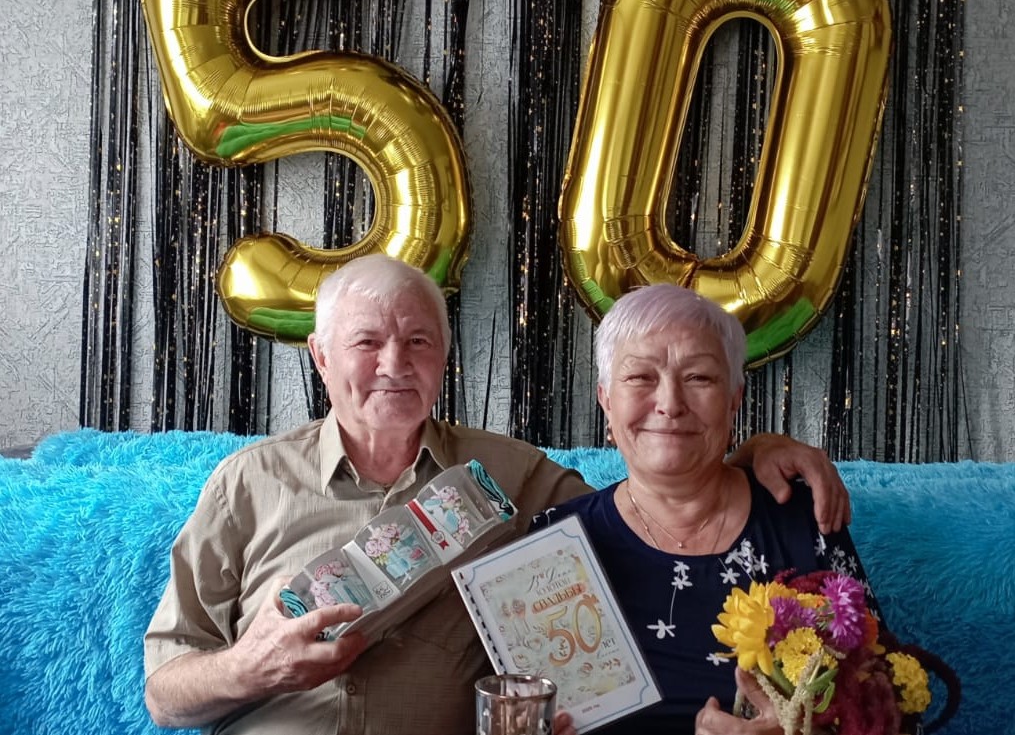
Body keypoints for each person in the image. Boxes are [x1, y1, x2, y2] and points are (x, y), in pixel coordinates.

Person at [144, 255, 851, 735]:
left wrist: (747, 454)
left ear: (442, 359)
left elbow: (658, 489)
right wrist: (248, 668)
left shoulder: (509, 475)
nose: (394, 363)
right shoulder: (247, 483)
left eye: (418, 341)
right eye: (366, 342)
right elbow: (163, 693)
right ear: (321, 356)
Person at [531, 284, 877, 735]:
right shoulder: (553, 544)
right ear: (606, 400)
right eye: (640, 377)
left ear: (734, 400)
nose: (670, 404)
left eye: (699, 378)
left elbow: (886, 706)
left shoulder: (801, 519)